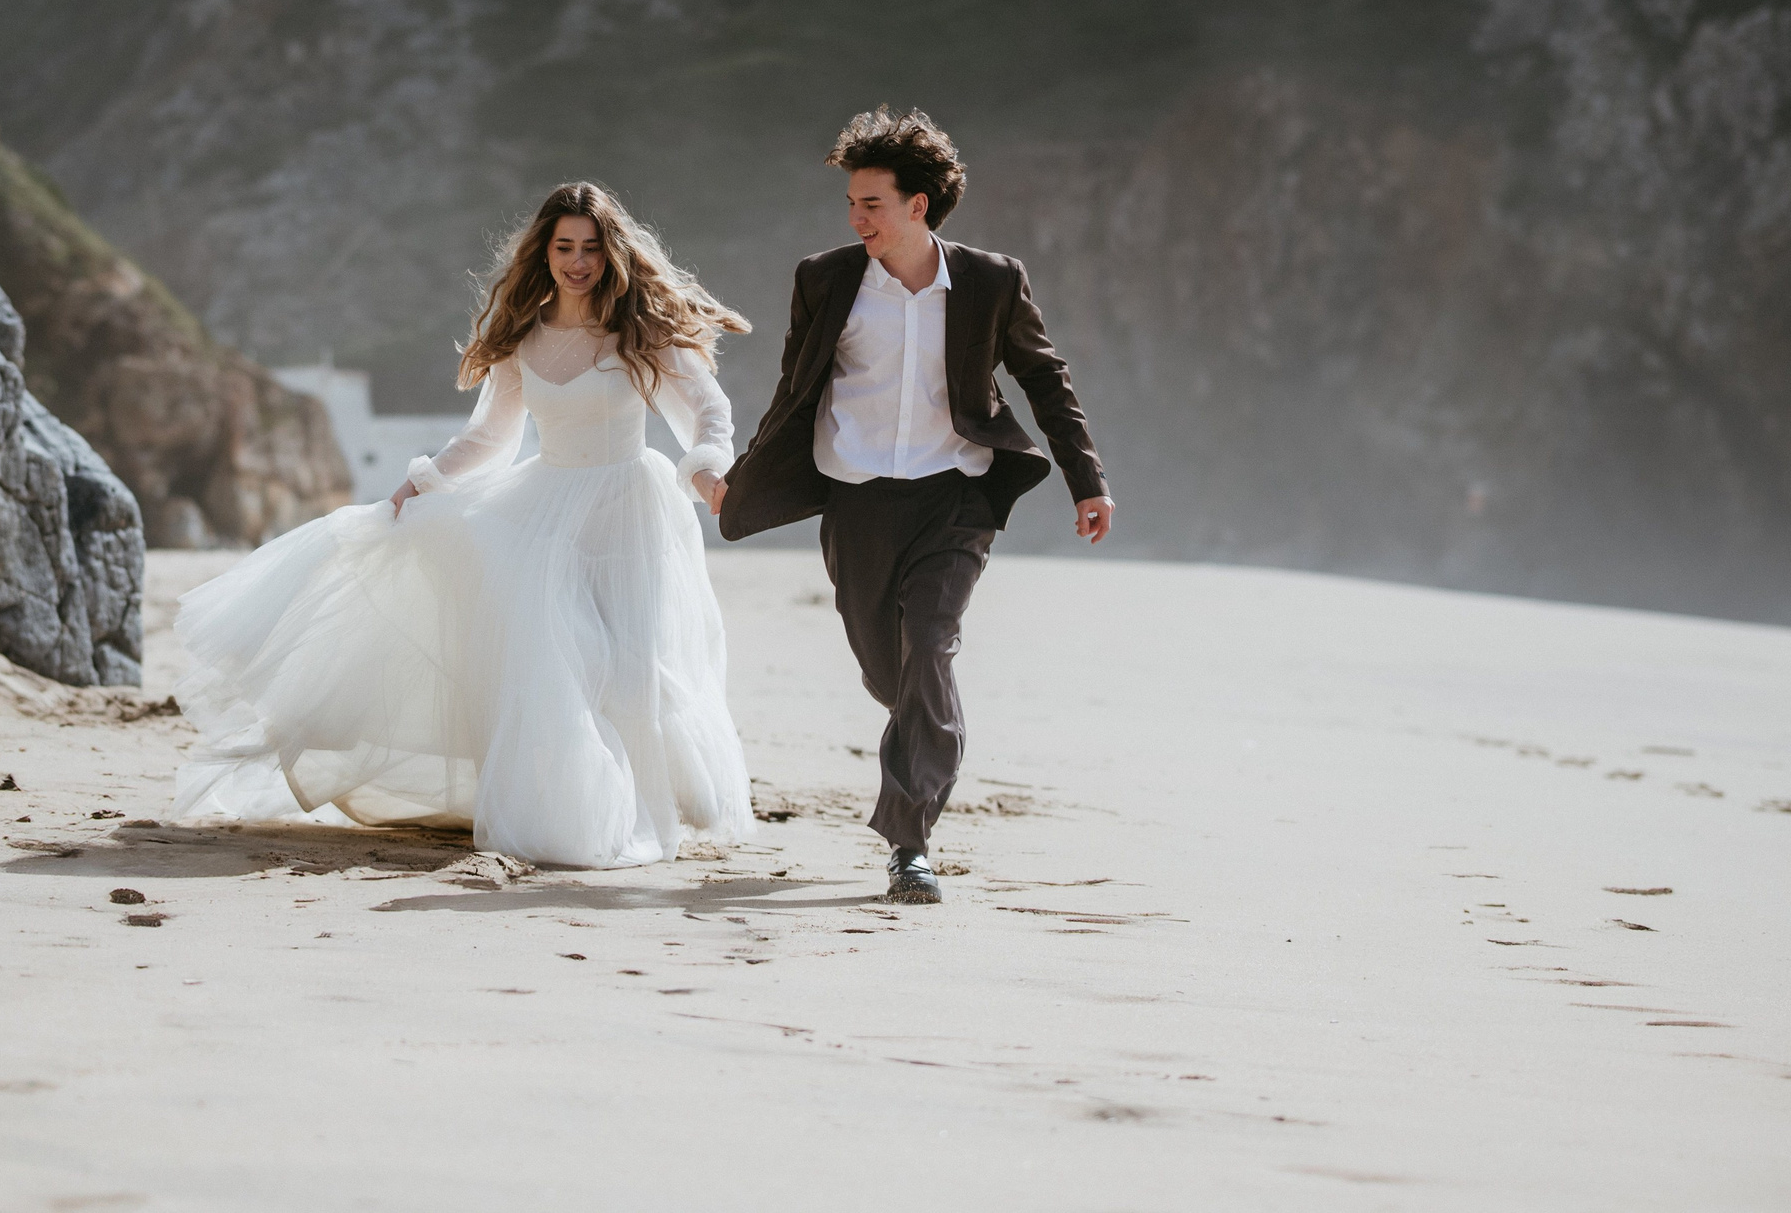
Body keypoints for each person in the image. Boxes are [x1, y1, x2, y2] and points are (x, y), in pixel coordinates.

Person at [169, 182, 755, 868]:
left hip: (629, 512)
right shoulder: (523, 338)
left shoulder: (641, 329)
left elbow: (707, 408)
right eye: (564, 247)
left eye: (592, 248)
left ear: (612, 253)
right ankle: (579, 813)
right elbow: (489, 439)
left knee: (631, 671)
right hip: (545, 517)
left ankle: (642, 804)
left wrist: (707, 467)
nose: (578, 262)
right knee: (565, 666)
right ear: (544, 253)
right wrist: (419, 485)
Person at [718, 108, 1113, 905]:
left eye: (871, 203)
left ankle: (909, 844)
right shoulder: (824, 279)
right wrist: (746, 475)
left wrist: (1087, 477)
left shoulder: (990, 280)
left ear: (918, 205)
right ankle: (929, 730)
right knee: (891, 671)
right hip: (857, 501)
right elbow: (793, 393)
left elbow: (1045, 378)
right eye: (851, 203)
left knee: (929, 646)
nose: (856, 217)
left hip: (954, 496)